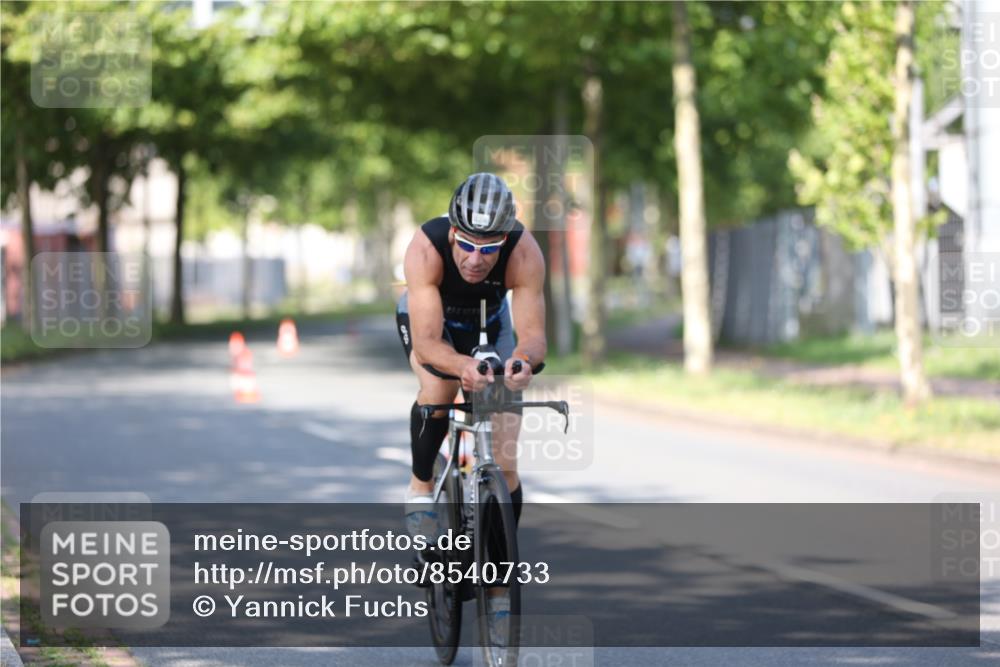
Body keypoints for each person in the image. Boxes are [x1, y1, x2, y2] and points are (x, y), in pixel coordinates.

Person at [395, 172, 546, 631]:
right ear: (453, 232)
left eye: (488, 248)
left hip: (490, 324)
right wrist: (461, 367)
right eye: (466, 245)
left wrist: (521, 362)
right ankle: (421, 489)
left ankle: (498, 588)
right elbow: (425, 344)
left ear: (504, 240)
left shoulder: (524, 252)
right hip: (435, 326)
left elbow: (534, 335)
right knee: (440, 390)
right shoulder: (426, 247)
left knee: (506, 461)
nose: (476, 259)